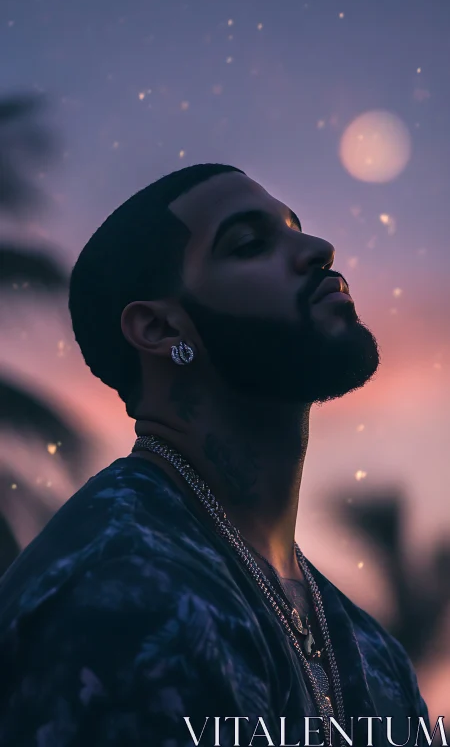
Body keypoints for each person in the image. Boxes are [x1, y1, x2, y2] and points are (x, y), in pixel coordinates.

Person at [0, 164, 431, 747]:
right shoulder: (123, 592)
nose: (318, 249)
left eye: (296, 228)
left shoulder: (371, 652)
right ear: (157, 326)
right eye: (250, 244)